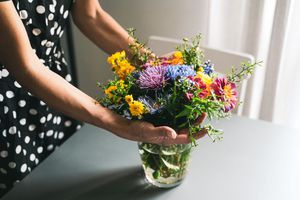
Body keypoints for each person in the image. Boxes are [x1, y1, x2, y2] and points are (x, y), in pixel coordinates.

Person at [0, 0, 206, 197]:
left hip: (57, 89)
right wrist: (121, 125)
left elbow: (91, 15)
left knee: (58, 181)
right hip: (8, 106)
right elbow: (26, 66)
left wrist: (154, 68)